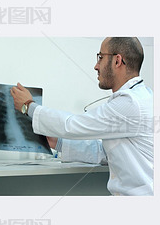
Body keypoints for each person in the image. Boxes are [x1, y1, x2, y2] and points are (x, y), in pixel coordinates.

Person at [10, 37, 153, 196]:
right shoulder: (140, 98)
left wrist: (28, 105)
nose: (96, 66)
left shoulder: (131, 103)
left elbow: (71, 125)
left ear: (117, 61)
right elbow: (104, 152)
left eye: (100, 57)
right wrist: (57, 142)